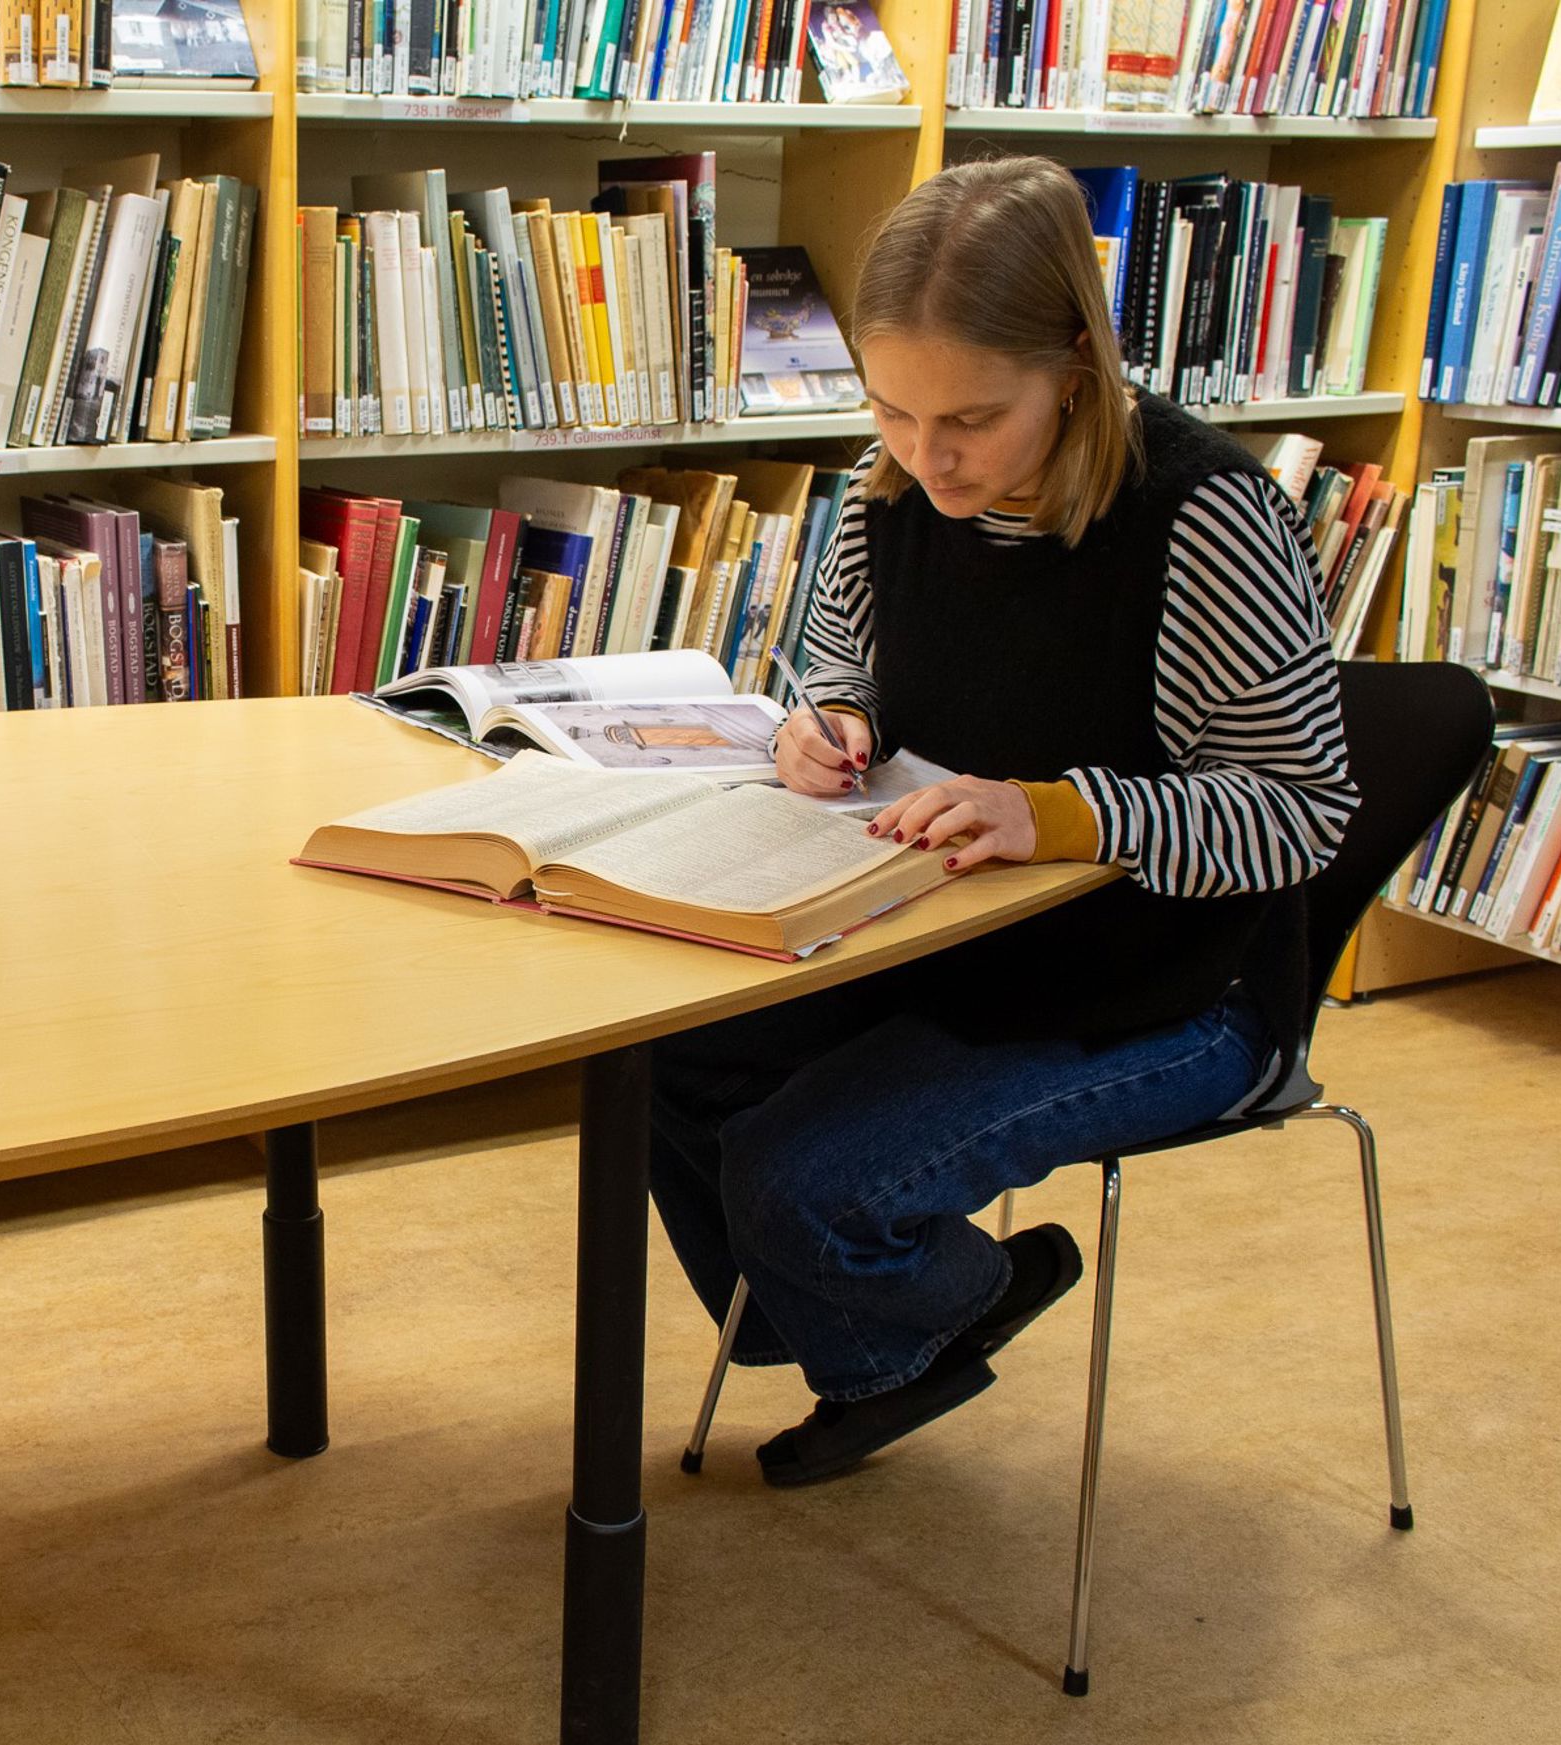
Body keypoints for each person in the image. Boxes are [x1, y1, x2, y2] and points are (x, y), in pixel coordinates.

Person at [649, 157, 1358, 1487]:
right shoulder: (890, 487)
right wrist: (832, 722)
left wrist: (1053, 814)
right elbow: (840, 659)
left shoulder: (1205, 516)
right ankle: (873, 1339)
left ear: (1075, 366)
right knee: (664, 1054)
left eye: (971, 416)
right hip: (942, 937)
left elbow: (1302, 810)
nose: (927, 455)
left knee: (801, 1182)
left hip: (1171, 992)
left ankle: (946, 1300)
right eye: (893, 411)